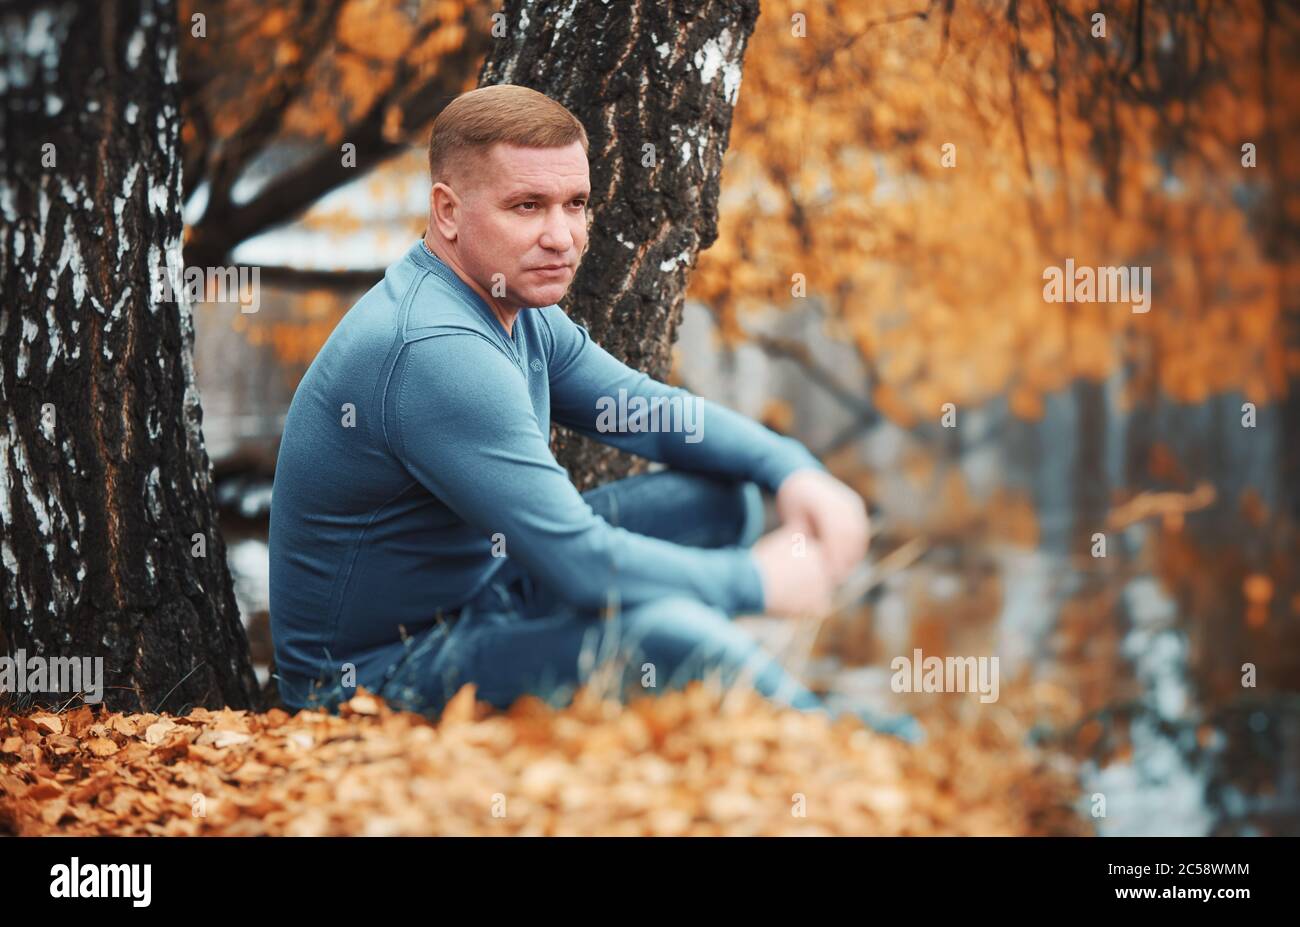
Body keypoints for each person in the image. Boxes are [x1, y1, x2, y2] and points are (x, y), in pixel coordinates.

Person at [268, 84, 919, 741]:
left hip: (481, 595)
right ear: (448, 211)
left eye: (574, 203)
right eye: (527, 206)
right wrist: (755, 580)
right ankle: (837, 739)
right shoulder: (437, 350)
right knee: (668, 636)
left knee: (722, 502)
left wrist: (793, 469)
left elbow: (647, 411)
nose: (562, 236)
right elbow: (576, 559)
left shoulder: (511, 310)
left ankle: (739, 695)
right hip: (370, 680)